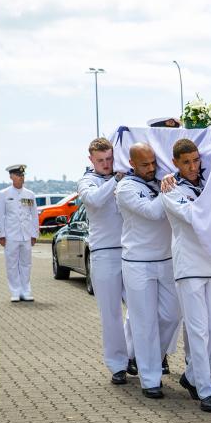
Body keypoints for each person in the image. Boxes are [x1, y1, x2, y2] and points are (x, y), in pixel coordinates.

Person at [160, 139, 211, 412]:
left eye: (196, 160)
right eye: (186, 162)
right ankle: (204, 389)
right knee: (198, 329)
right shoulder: (171, 191)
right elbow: (195, 217)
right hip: (189, 267)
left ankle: (190, 375)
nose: (193, 166)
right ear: (175, 163)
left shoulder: (209, 183)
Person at [115, 143, 181, 400]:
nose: (151, 168)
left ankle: (151, 357)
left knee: (172, 315)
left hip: (165, 259)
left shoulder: (157, 182)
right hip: (138, 262)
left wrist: (166, 183)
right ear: (132, 163)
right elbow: (154, 213)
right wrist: (170, 185)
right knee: (144, 323)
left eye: (154, 163)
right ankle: (150, 378)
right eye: (145, 164)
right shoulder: (126, 188)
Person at [77, 137, 138, 385]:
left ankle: (132, 353)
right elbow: (94, 200)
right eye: (101, 160)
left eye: (110, 159)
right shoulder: (86, 181)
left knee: (139, 308)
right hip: (104, 253)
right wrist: (116, 178)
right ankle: (117, 365)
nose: (106, 163)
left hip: (131, 251)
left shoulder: (126, 178)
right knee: (111, 313)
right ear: (91, 159)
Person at [0, 164, 38, 302]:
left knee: (26, 264)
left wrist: (34, 234)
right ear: (11, 176)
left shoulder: (30, 194)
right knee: (12, 264)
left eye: (23, 175)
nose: (21, 178)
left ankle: (26, 291)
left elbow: (34, 215)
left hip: (26, 235)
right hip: (11, 235)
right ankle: (15, 291)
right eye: (18, 175)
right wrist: (1, 234)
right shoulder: (4, 194)